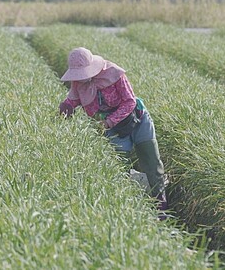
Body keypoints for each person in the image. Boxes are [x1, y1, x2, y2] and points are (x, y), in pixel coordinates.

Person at [58, 47, 168, 218]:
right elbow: (72, 100)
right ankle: (128, 209)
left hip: (137, 120)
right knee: (119, 168)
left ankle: (161, 210)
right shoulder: (79, 82)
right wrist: (65, 109)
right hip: (112, 129)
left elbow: (130, 101)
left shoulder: (114, 74)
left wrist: (109, 121)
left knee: (152, 163)